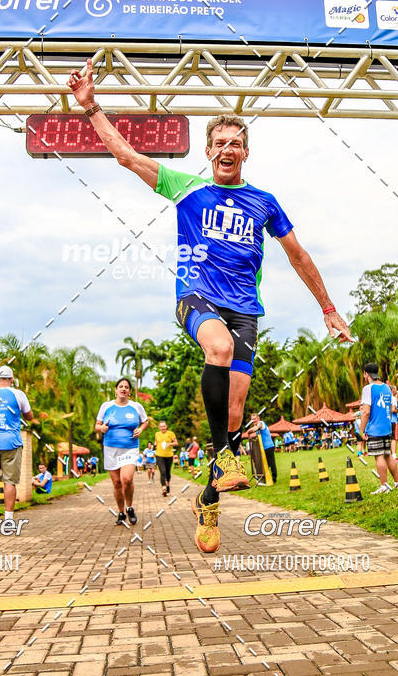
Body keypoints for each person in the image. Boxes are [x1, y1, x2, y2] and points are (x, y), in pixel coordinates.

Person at [67, 62, 353, 553]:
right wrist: (91, 106)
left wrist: (328, 308)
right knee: (217, 348)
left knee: (236, 411)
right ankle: (223, 455)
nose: (227, 150)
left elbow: (299, 256)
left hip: (246, 309)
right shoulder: (187, 187)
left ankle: (208, 499)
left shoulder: (265, 202)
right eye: (219, 143)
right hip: (196, 297)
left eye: (235, 143)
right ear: (207, 151)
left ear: (246, 152)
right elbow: (126, 156)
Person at [0, 365, 33, 530]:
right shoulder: (18, 394)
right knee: (9, 482)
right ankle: (8, 521)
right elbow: (29, 416)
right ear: (12, 380)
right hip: (11, 443)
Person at [95, 378, 149, 525]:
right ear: (116, 389)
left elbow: (145, 421)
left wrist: (141, 429)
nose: (123, 389)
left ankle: (129, 507)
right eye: (121, 386)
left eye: (126, 387)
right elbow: (97, 425)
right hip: (111, 449)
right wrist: (102, 428)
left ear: (129, 391)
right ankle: (121, 512)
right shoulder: (106, 406)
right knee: (117, 483)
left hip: (130, 448)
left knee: (127, 479)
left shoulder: (136, 406)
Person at [360, 362, 398, 494]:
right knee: (388, 455)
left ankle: (384, 485)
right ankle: (397, 483)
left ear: (366, 374)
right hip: (387, 427)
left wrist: (361, 430)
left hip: (375, 428)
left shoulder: (368, 388)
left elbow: (366, 412)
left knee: (379, 456)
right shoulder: (387, 388)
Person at [245, 413, 277, 483]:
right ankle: (263, 478)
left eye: (254, 419)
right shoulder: (256, 427)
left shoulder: (261, 423)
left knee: (271, 463)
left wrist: (249, 431)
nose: (253, 421)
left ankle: (274, 479)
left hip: (268, 446)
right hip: (263, 448)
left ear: (258, 418)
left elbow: (255, 428)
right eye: (252, 419)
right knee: (263, 464)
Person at [154, 420, 178, 496]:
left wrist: (169, 444)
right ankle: (163, 488)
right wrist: (154, 446)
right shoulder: (157, 434)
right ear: (159, 427)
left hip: (169, 455)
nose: (163, 428)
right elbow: (156, 442)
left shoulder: (171, 433)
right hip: (159, 455)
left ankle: (167, 484)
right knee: (162, 471)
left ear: (166, 426)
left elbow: (176, 443)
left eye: (164, 426)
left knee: (168, 472)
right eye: (161, 426)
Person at [389, 381, 398, 462]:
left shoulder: (386, 398)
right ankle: (394, 456)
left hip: (387, 421)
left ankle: (390, 456)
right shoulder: (393, 398)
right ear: (392, 390)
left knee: (389, 438)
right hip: (393, 420)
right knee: (394, 438)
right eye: (395, 389)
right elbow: (393, 409)